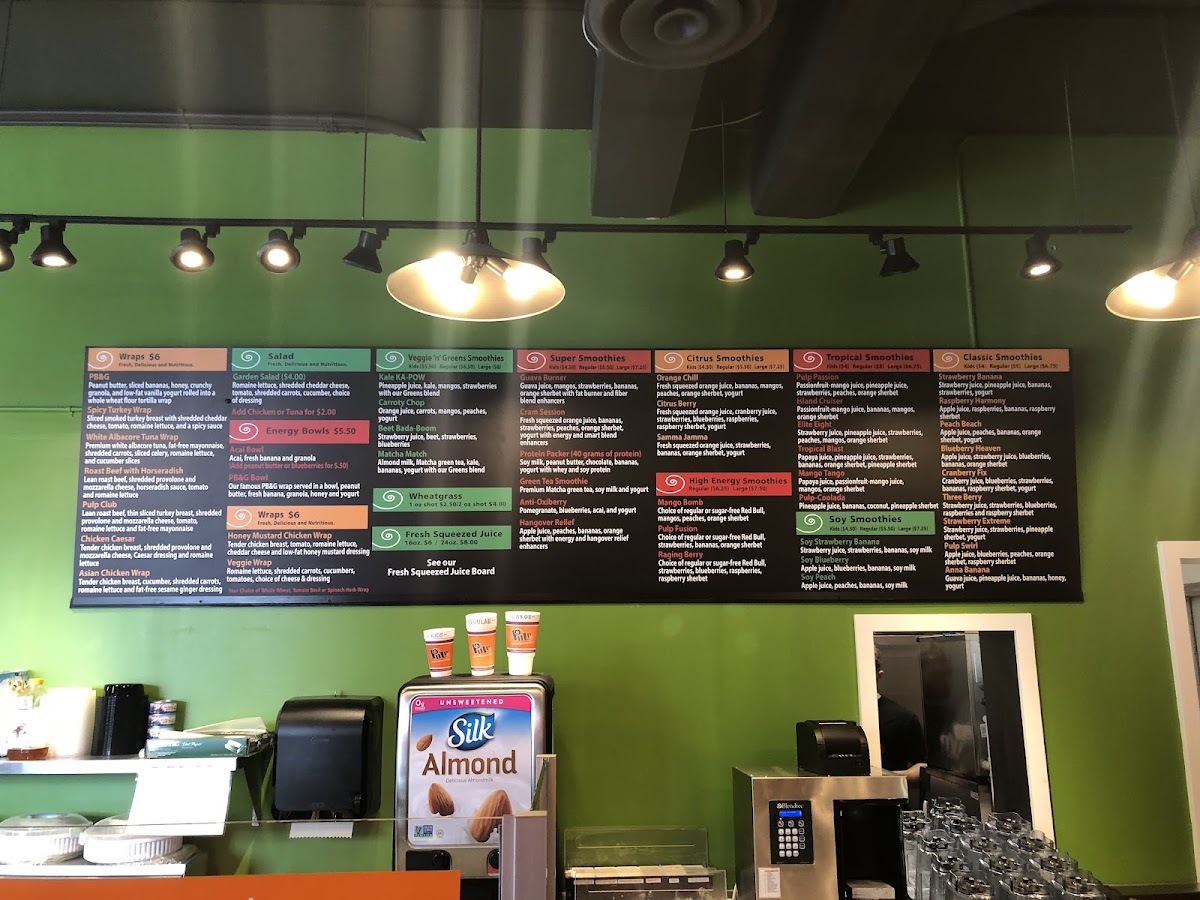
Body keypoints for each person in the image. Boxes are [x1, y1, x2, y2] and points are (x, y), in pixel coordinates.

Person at [876, 651, 928, 801]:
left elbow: (923, 767)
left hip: (890, 806)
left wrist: (890, 777)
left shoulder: (902, 718)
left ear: (879, 675)